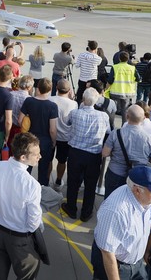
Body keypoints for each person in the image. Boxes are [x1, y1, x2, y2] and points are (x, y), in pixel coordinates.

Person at [92, 166, 151, 280]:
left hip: (135, 263)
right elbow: (107, 253)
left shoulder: (145, 199)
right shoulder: (116, 211)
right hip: (116, 266)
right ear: (137, 190)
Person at [0, 132, 44, 280]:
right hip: (19, 239)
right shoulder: (32, 185)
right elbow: (33, 222)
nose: (40, 156)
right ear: (23, 157)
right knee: (28, 274)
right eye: (36, 154)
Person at [62, 88, 110, 222]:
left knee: (73, 182)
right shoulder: (103, 116)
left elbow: (67, 123)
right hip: (94, 155)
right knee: (90, 184)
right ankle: (86, 212)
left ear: (83, 99)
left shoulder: (75, 113)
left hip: (76, 152)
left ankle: (71, 208)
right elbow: (108, 131)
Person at [102, 105, 151, 198]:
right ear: (143, 119)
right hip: (137, 178)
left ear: (127, 116)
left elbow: (105, 153)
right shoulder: (150, 139)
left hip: (115, 173)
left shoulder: (116, 134)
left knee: (110, 199)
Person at [19, 78, 58, 186]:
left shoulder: (29, 101)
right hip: (45, 142)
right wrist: (53, 141)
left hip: (30, 139)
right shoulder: (52, 106)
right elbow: (52, 129)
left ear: (38, 88)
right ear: (50, 90)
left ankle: (24, 188)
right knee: (43, 170)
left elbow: (20, 120)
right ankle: (42, 192)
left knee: (27, 168)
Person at [50, 79, 76, 188]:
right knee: (62, 161)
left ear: (56, 88)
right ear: (69, 90)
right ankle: (58, 181)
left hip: (50, 135)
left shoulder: (50, 100)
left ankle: (45, 180)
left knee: (48, 160)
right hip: (65, 138)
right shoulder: (73, 104)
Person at [108, 51, 137, 120]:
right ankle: (124, 125)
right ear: (128, 59)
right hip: (127, 92)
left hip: (115, 92)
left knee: (113, 109)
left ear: (119, 59)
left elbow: (110, 80)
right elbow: (138, 78)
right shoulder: (132, 68)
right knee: (124, 110)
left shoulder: (115, 67)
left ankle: (111, 125)